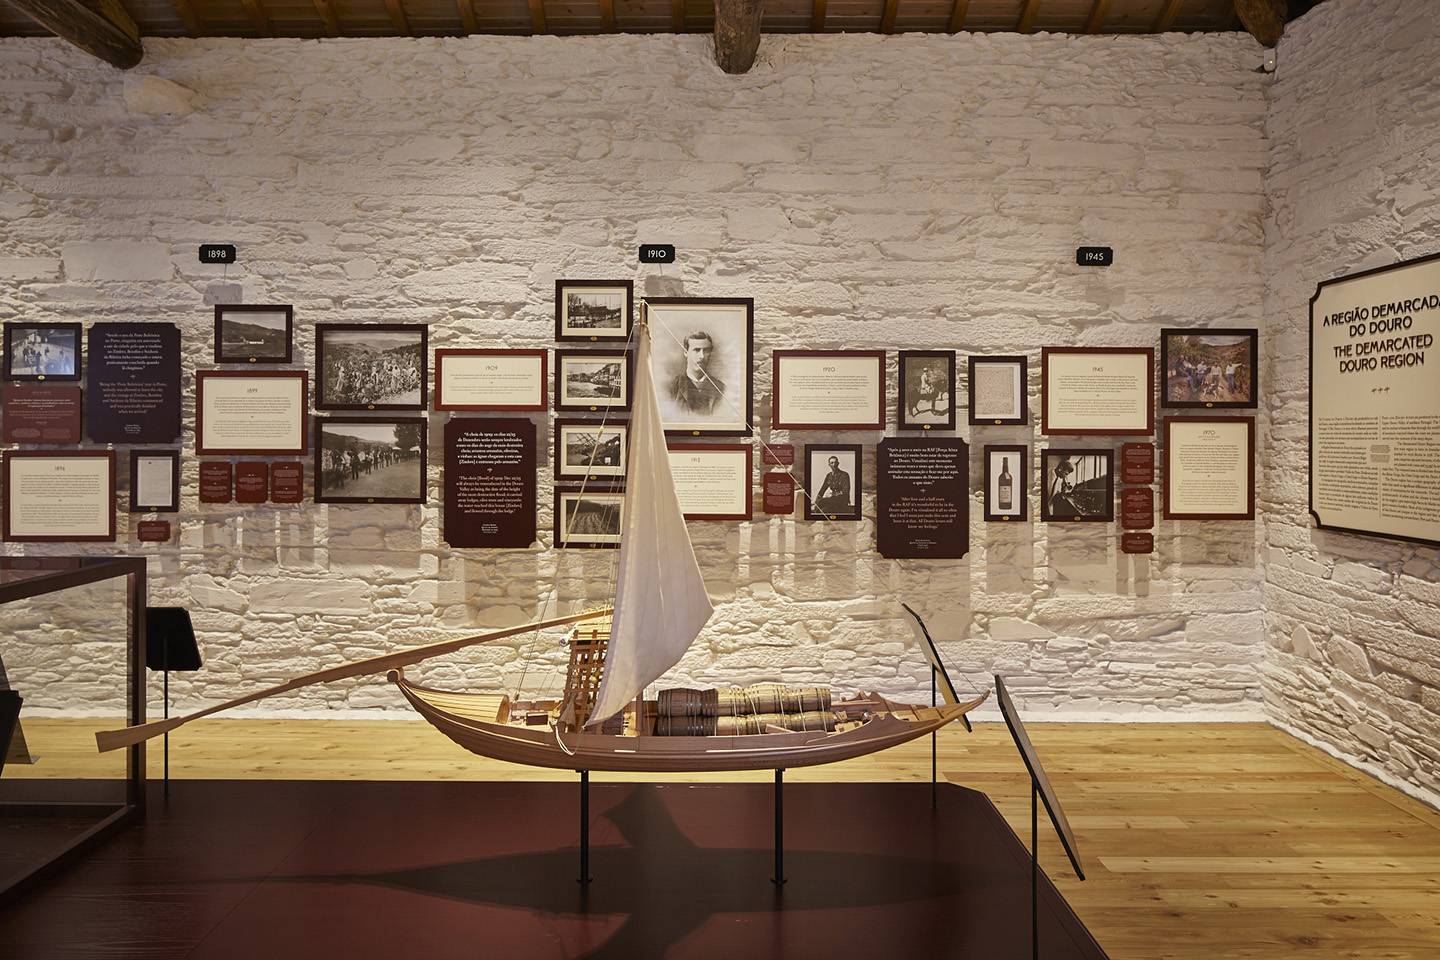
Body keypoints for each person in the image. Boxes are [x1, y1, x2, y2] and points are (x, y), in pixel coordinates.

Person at [670, 331, 726, 416]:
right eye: (697, 350)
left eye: (706, 350)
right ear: (685, 352)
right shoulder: (672, 387)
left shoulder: (721, 388)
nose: (702, 356)